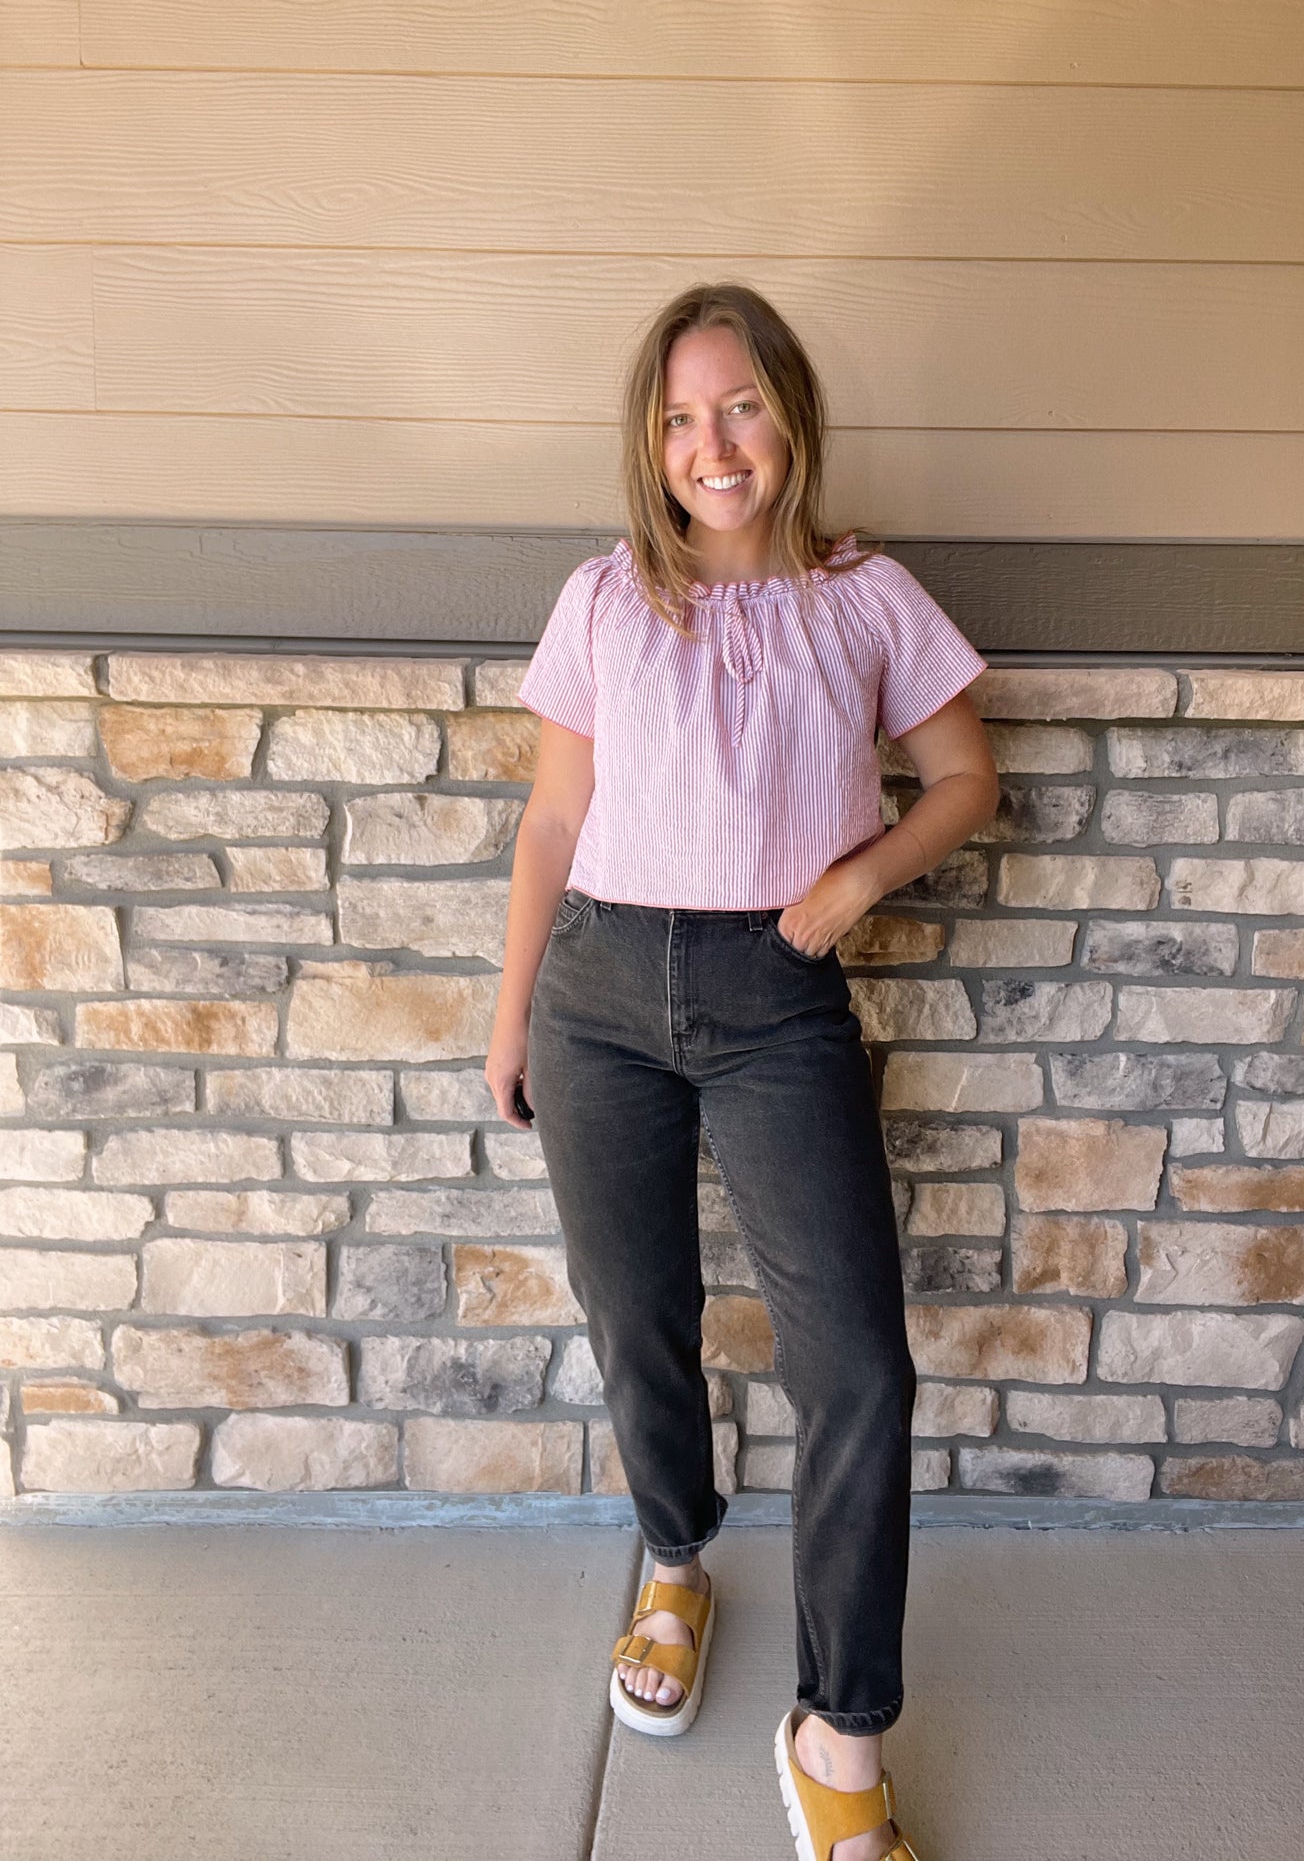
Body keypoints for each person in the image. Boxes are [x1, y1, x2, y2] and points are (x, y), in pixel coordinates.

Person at [487, 281, 998, 1861]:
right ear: (651, 442)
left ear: (789, 416)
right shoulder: (603, 595)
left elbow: (967, 777)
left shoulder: (866, 597)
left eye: (741, 406)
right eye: (679, 417)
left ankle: (839, 1730)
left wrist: (856, 887)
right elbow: (556, 824)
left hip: (777, 999)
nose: (712, 443)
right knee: (633, 1307)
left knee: (856, 1363)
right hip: (597, 992)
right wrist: (509, 1017)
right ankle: (674, 1558)